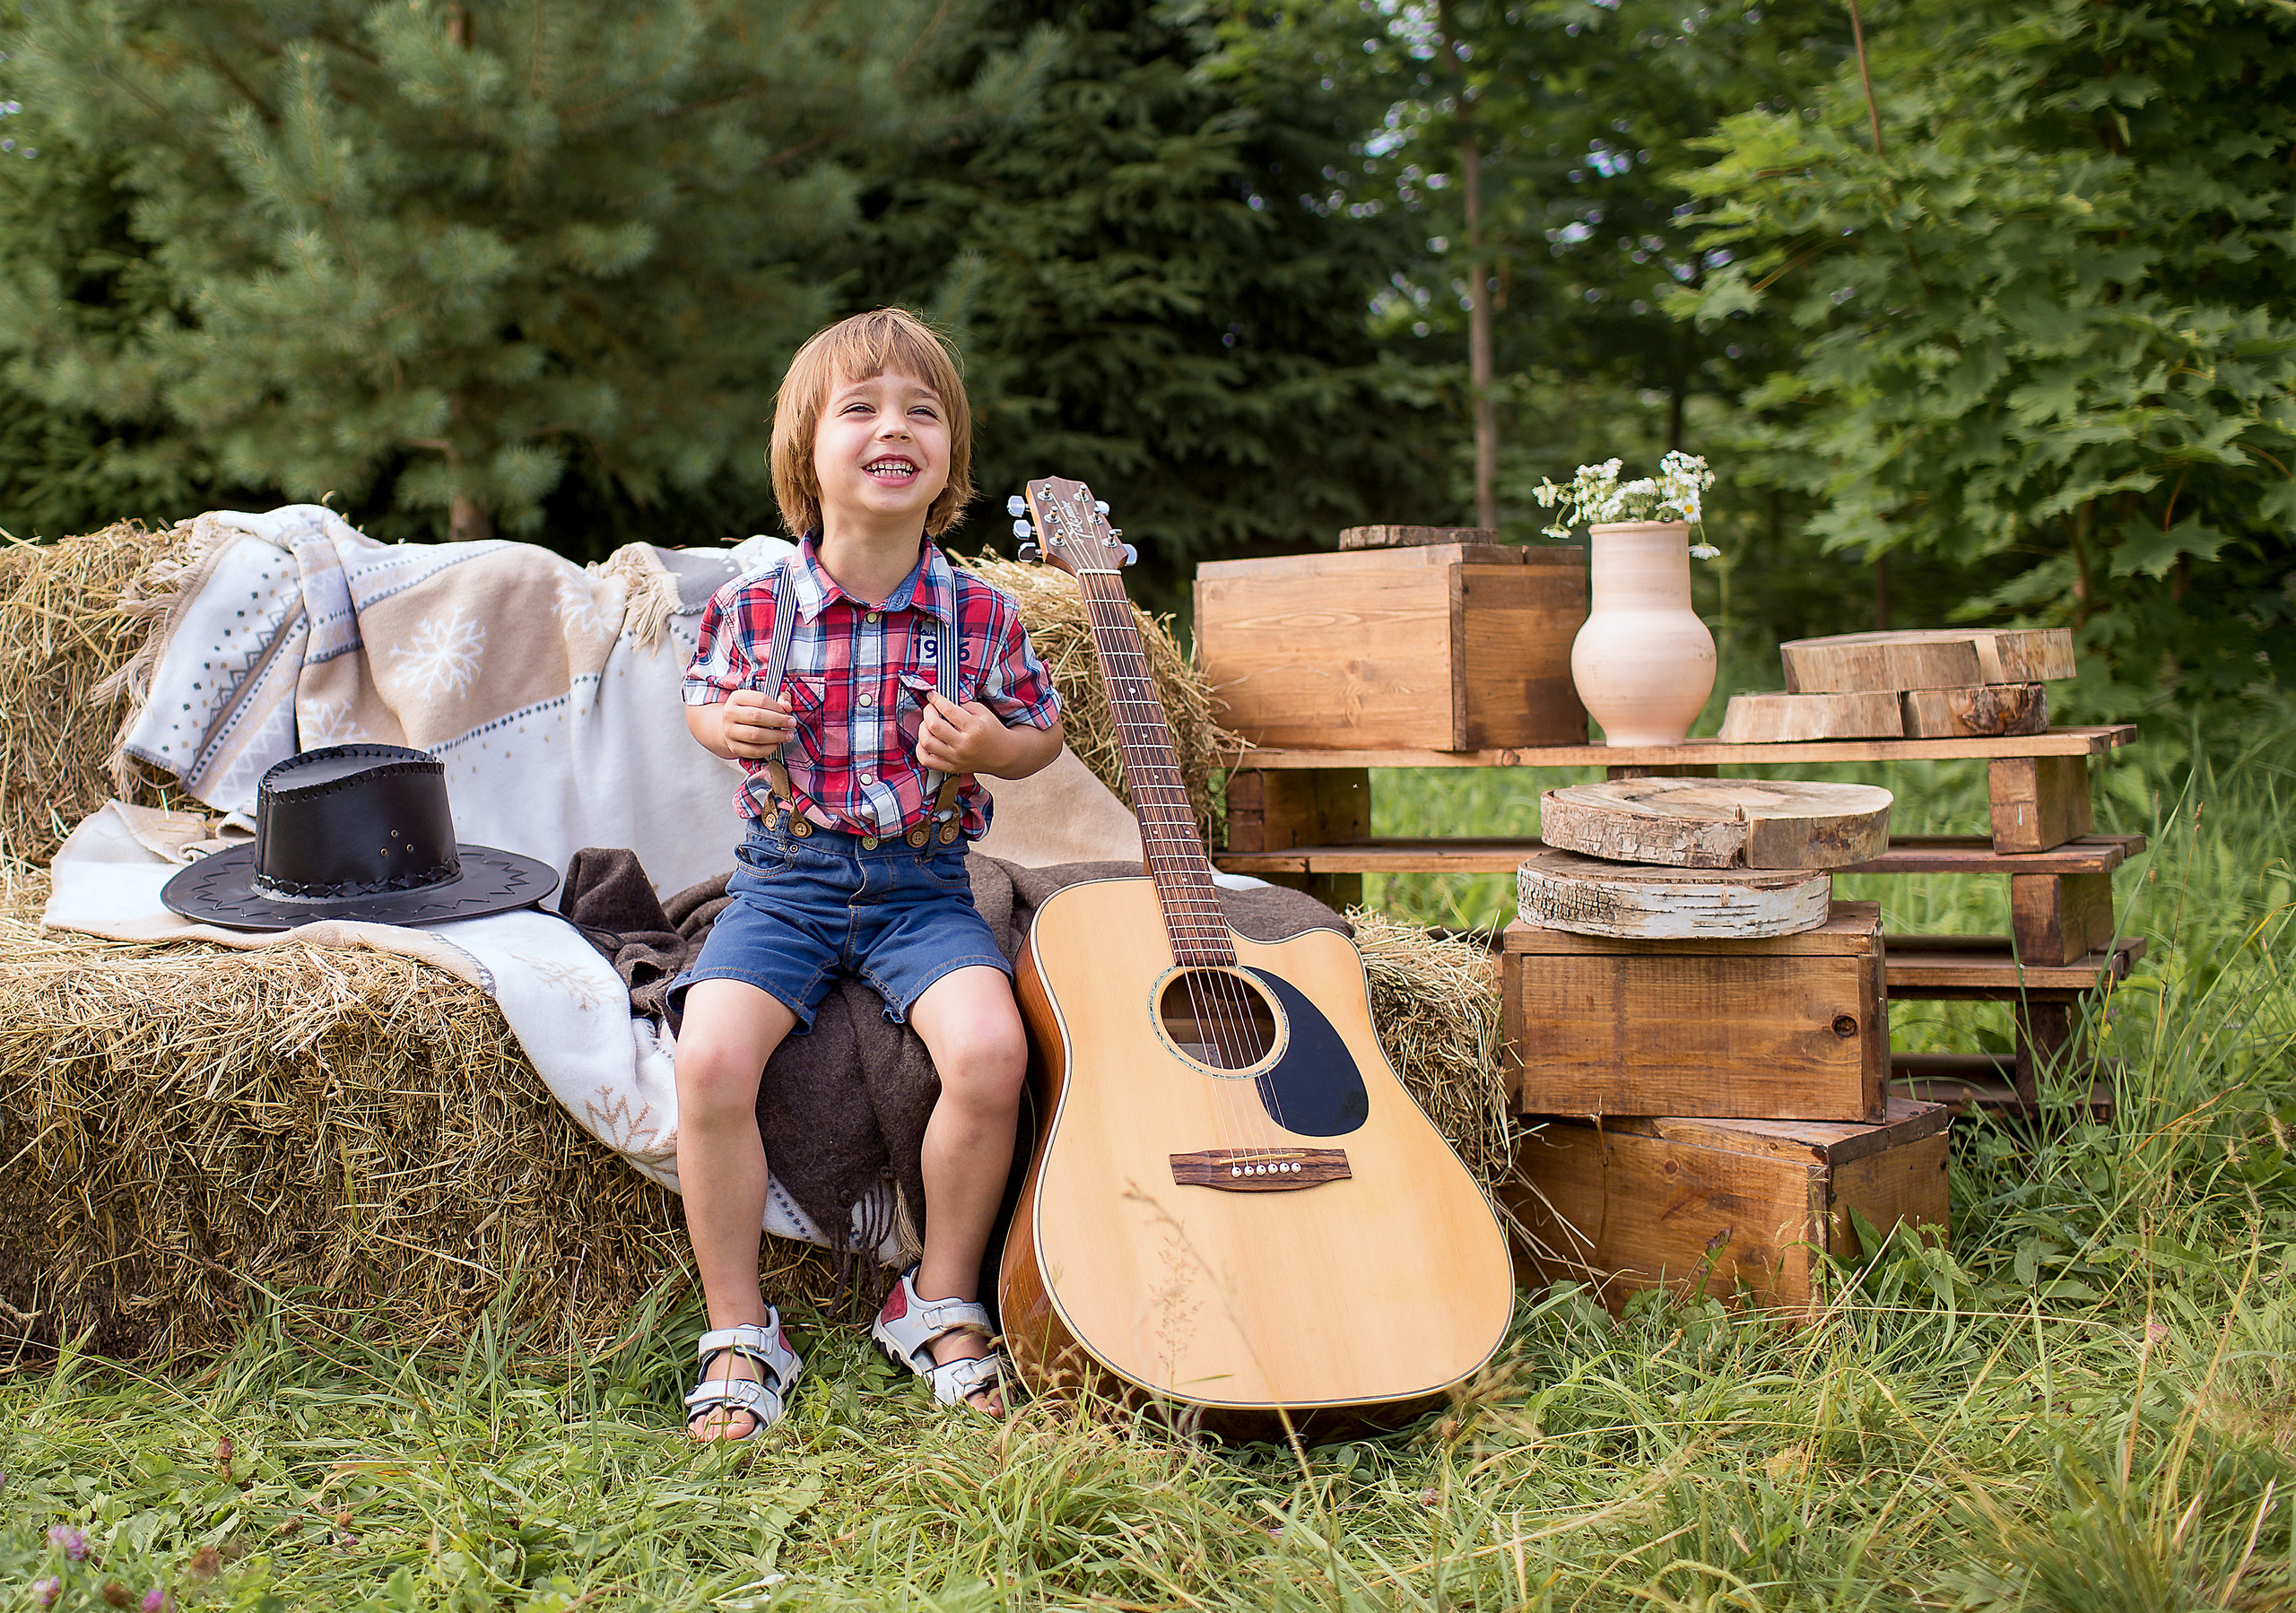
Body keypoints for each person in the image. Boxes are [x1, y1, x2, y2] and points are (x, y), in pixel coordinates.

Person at [669, 308, 1065, 1438]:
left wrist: (991, 747)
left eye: (921, 411)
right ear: (807, 451)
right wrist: (726, 725)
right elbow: (701, 699)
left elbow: (1040, 731)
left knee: (991, 1053)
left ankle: (937, 1296)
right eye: (861, 408)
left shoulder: (979, 613)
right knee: (709, 1057)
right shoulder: (753, 604)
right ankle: (739, 1326)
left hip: (923, 888)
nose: (894, 428)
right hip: (783, 882)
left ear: (950, 454)